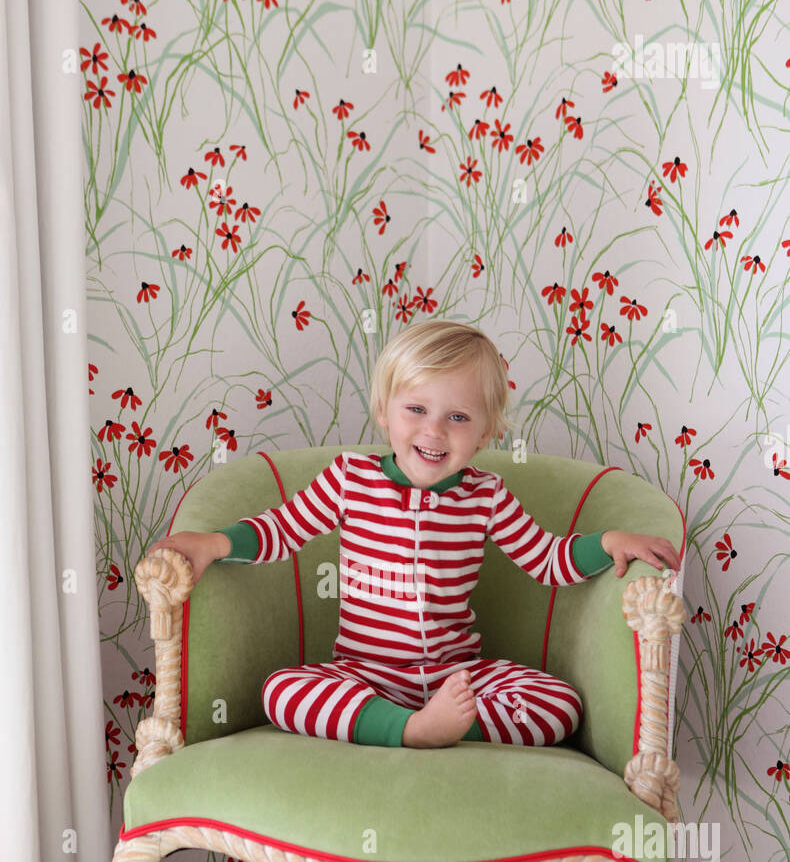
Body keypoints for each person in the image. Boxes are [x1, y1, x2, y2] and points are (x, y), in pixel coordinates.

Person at [147, 319, 681, 749]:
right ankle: (408, 730)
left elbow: (547, 559)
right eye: (417, 410)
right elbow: (281, 530)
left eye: (457, 416)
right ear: (384, 412)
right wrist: (215, 544)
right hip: (365, 675)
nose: (433, 430)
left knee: (559, 703)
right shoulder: (349, 480)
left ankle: (452, 725)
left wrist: (607, 542)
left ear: (487, 433)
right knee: (282, 692)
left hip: (458, 676)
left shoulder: (486, 495)